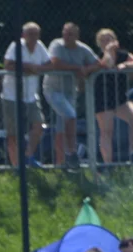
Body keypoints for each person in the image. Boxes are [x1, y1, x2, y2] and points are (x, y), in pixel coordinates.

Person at [44, 22, 100, 169]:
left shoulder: (82, 49)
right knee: (71, 115)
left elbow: (98, 64)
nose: (66, 36)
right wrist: (77, 68)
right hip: (53, 89)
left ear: (77, 36)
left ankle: (60, 163)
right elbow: (55, 63)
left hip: (69, 92)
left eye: (70, 34)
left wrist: (87, 70)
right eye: (65, 33)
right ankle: (72, 153)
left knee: (62, 127)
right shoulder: (56, 44)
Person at [2, 22, 50, 168]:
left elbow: (49, 65)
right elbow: (8, 65)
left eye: (36, 34)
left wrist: (37, 68)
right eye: (30, 34)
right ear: (24, 35)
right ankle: (16, 166)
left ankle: (28, 157)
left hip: (31, 96)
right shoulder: (16, 46)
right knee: (14, 133)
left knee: (39, 126)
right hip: (12, 96)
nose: (34, 37)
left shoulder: (40, 46)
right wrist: (28, 67)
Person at [93, 28, 133, 164]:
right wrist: (108, 51)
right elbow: (108, 65)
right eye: (103, 40)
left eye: (109, 39)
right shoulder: (99, 56)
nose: (107, 42)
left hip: (119, 97)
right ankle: (108, 164)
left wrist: (125, 64)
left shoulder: (122, 54)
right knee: (107, 131)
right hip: (103, 97)